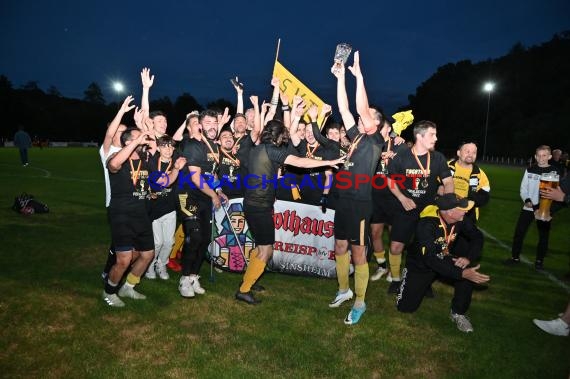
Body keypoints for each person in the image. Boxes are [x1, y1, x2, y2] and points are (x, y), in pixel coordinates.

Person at [235, 119, 345, 305]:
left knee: (260, 246)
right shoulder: (272, 149)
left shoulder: (256, 150)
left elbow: (262, 171)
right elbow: (300, 163)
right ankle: (244, 290)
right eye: (283, 137)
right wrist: (330, 162)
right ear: (277, 136)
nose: (284, 140)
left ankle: (248, 280)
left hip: (253, 204)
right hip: (259, 207)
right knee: (266, 250)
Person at [326, 52, 384, 325]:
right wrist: (339, 79)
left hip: (360, 204)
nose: (363, 118)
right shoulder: (357, 138)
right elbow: (345, 110)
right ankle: (343, 290)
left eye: (369, 117)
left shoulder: (374, 141)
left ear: (376, 124)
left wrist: (358, 76)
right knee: (339, 247)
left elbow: (360, 110)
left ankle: (360, 302)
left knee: (358, 252)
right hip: (343, 202)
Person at [396, 193, 490, 332]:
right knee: (405, 307)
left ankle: (458, 313)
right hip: (422, 265)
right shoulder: (426, 224)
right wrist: (460, 273)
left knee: (467, 273)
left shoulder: (461, 218)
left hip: (444, 257)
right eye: (462, 209)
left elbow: (477, 236)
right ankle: (410, 278)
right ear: (450, 212)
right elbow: (430, 259)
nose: (466, 211)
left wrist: (468, 258)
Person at [385, 120, 454, 293]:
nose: (436, 138)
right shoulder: (402, 156)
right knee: (396, 247)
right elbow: (390, 180)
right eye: (432, 134)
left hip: (428, 210)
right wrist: (402, 197)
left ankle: (424, 282)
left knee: (428, 249)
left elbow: (448, 181)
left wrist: (449, 202)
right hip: (405, 207)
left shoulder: (438, 158)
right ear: (419, 136)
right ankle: (395, 279)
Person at [178, 109, 228, 298]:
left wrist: (218, 190)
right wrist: (213, 196)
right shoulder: (193, 145)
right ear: (199, 125)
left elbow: (212, 174)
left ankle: (193, 276)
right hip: (188, 196)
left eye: (214, 123)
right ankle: (183, 279)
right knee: (195, 237)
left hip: (206, 197)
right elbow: (196, 178)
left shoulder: (214, 146)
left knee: (206, 239)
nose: (212, 126)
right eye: (207, 123)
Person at [103, 127, 155, 307]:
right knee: (123, 260)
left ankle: (128, 287)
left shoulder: (144, 161)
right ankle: (109, 291)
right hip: (122, 215)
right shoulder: (116, 157)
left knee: (148, 254)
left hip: (141, 215)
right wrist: (136, 141)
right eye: (137, 137)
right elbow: (114, 165)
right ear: (128, 142)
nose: (143, 139)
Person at [505, 145, 563, 270]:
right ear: (535, 156)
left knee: (543, 236)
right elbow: (523, 188)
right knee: (519, 233)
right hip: (529, 208)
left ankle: (539, 261)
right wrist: (526, 199)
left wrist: (546, 208)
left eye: (544, 155)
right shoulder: (530, 169)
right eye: (539, 155)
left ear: (549, 156)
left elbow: (555, 191)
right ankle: (515, 258)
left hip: (544, 209)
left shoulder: (554, 171)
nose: (541, 158)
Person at [100, 96, 133, 280]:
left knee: (130, 242)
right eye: (117, 130)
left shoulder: (131, 150)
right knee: (118, 244)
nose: (121, 134)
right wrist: (121, 111)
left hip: (133, 202)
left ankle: (123, 271)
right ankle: (108, 271)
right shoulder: (107, 151)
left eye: (124, 131)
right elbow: (108, 135)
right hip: (115, 203)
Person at [370, 119, 407, 281]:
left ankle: (394, 269)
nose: (377, 130)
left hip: (394, 198)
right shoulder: (372, 144)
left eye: (380, 128)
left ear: (389, 128)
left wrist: (395, 157)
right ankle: (382, 265)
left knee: (395, 236)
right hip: (375, 197)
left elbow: (408, 167)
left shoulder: (400, 145)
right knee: (375, 233)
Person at [146, 135, 186, 280]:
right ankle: (149, 265)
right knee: (157, 242)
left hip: (170, 208)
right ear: (158, 148)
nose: (168, 149)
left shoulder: (178, 162)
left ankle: (161, 264)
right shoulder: (151, 163)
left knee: (169, 242)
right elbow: (163, 183)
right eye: (164, 146)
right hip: (154, 209)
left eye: (170, 146)